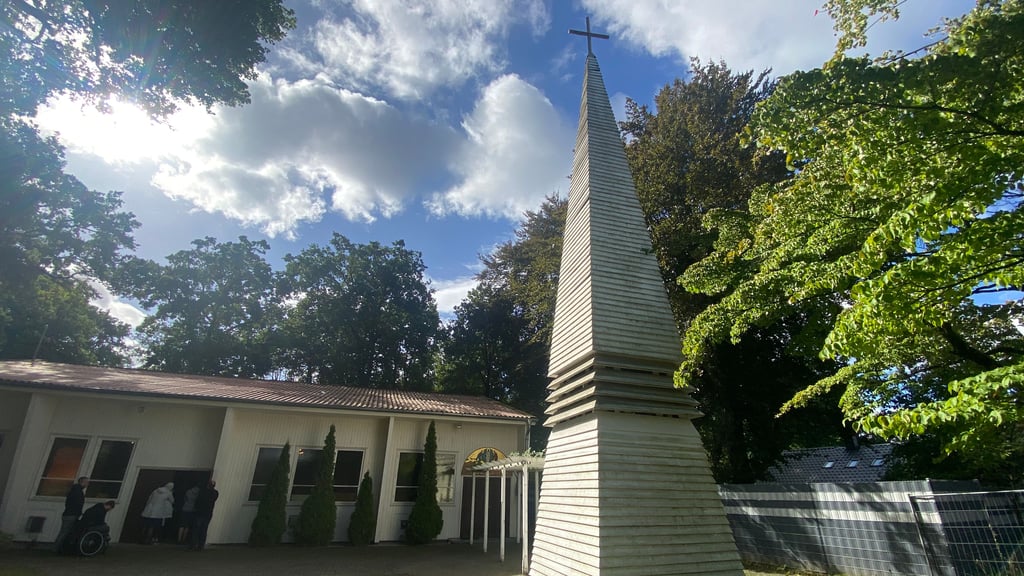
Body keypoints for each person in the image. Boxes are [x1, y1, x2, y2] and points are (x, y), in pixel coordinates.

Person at [55, 476, 88, 552]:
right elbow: (77, 504)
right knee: (65, 532)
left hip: (68, 513)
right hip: (71, 514)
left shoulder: (74, 490)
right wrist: (78, 512)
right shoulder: (78, 492)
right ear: (82, 482)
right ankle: (57, 547)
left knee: (64, 531)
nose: (87, 484)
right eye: (86, 482)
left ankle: (59, 547)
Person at [189, 480, 218, 551]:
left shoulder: (203, 492)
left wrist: (196, 508)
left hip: (200, 513)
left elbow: (198, 501)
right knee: (204, 530)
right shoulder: (215, 493)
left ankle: (193, 545)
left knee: (196, 530)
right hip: (208, 513)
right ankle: (201, 546)